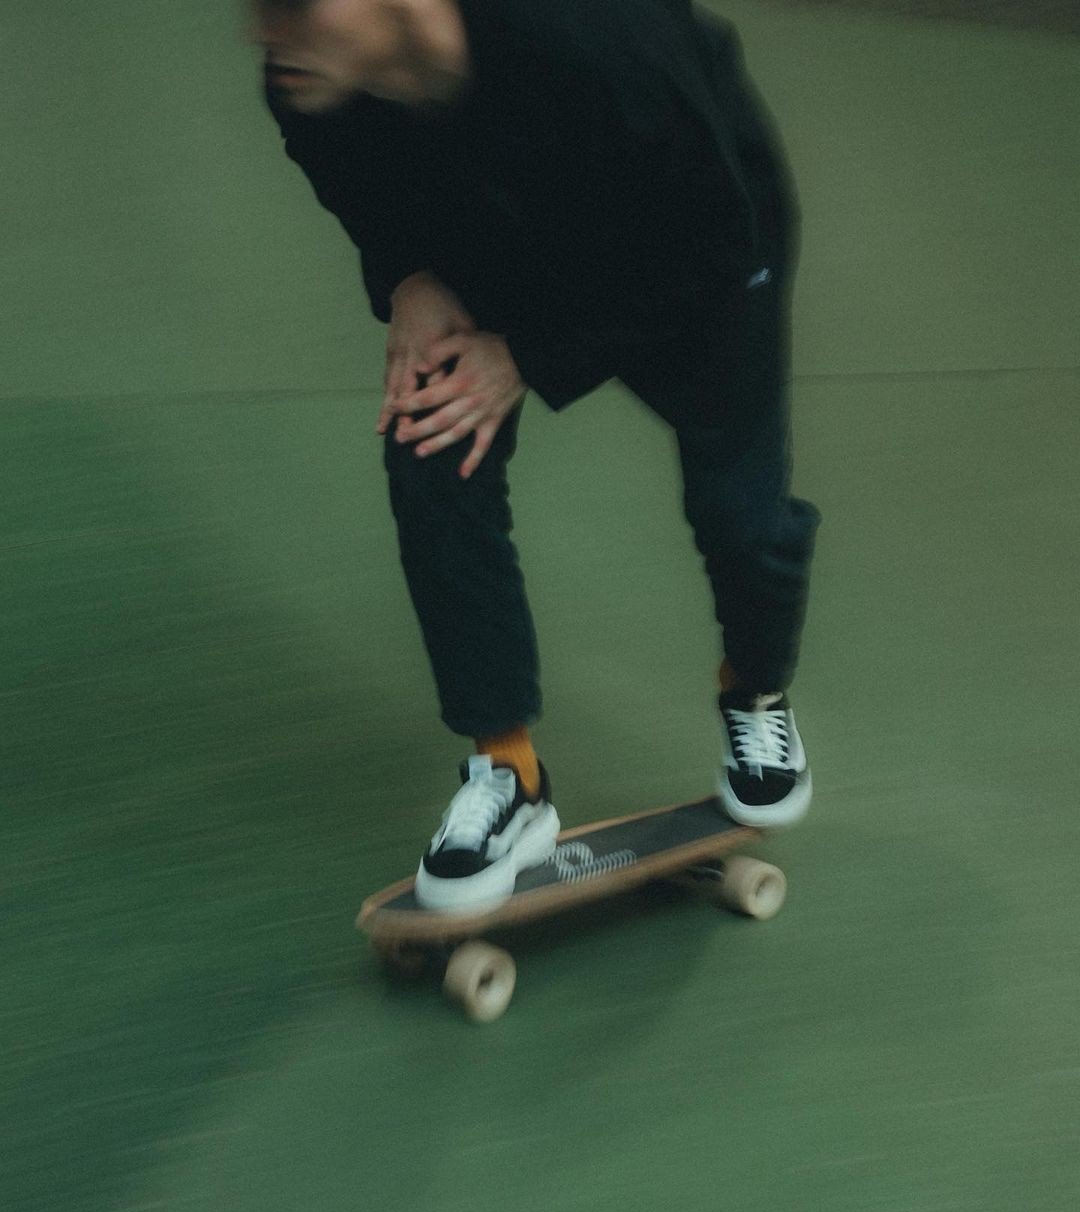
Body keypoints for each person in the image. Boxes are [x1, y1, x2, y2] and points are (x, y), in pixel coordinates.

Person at [251, 0, 821, 913]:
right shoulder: (309, 70)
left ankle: (753, 693)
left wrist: (527, 356)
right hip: (501, 224)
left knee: (739, 512)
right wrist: (408, 274)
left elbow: (712, 240)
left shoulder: (596, 40)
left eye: (290, 7)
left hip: (697, 240)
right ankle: (507, 772)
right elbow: (341, 169)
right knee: (430, 443)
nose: (264, 33)